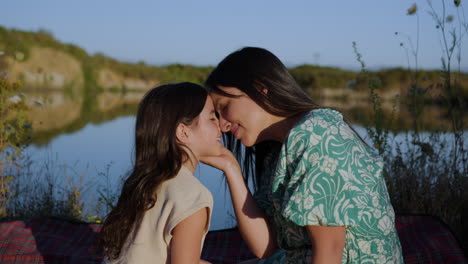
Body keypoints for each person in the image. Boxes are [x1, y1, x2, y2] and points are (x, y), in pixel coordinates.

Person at [201, 47, 403, 263]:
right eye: (217, 115)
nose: (222, 125)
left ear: (261, 89)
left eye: (224, 107)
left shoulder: (317, 134)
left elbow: (330, 250)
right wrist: (231, 169)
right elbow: (267, 247)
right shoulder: (278, 149)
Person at [99, 82, 222, 264]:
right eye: (212, 118)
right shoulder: (194, 196)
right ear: (183, 131)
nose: (221, 125)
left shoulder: (143, 181)